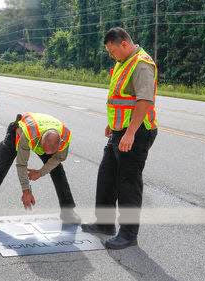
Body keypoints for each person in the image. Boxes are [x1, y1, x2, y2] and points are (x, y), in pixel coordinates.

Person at [81, 27, 158, 249]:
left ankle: (128, 234)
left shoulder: (141, 63)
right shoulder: (122, 62)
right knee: (106, 176)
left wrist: (130, 132)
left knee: (128, 183)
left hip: (136, 132)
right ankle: (105, 224)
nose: (111, 55)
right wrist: (112, 124)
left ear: (124, 44)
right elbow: (120, 98)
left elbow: (144, 101)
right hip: (119, 130)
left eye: (112, 50)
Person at [0, 112, 80, 228]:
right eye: (43, 149)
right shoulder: (29, 135)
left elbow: (58, 158)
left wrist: (40, 172)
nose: (45, 154)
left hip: (45, 135)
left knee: (58, 171)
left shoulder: (65, 137)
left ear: (60, 144)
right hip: (18, 134)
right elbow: (21, 164)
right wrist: (26, 191)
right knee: (1, 169)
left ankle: (68, 212)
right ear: (41, 140)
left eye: (50, 152)